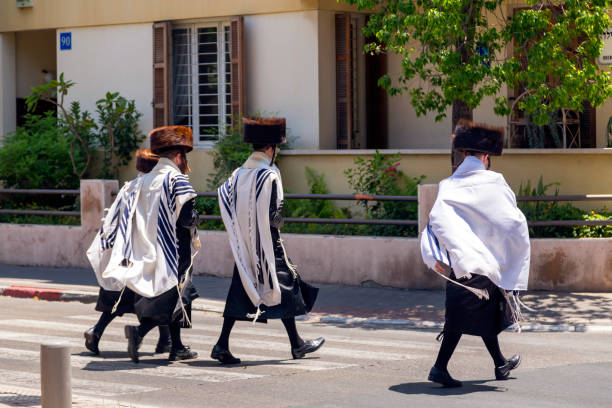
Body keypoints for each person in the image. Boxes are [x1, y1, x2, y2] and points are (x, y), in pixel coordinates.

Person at [420, 120, 531, 387]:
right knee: (464, 317)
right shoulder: (494, 182)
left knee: (481, 312)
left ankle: (500, 363)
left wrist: (447, 251)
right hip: (485, 263)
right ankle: (439, 368)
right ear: (485, 157)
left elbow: (437, 219)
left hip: (460, 263)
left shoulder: (448, 184)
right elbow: (510, 221)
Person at [211, 117, 324, 364]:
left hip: (245, 245)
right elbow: (274, 217)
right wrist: (277, 226)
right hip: (268, 245)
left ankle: (222, 344)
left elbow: (223, 196)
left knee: (241, 291)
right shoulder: (269, 175)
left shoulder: (238, 174)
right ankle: (297, 345)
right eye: (277, 148)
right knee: (287, 286)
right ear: (270, 149)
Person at [101, 126, 200, 363]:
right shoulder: (178, 180)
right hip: (176, 248)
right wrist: (197, 218)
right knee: (177, 294)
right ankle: (140, 332)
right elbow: (187, 219)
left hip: (151, 246)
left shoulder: (144, 181)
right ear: (178, 156)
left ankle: (176, 346)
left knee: (172, 294)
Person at [85, 149, 171, 356]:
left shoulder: (129, 187)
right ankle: (164, 341)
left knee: (118, 300)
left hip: (122, 254)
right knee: (160, 295)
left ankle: (96, 332)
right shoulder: (152, 189)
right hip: (142, 253)